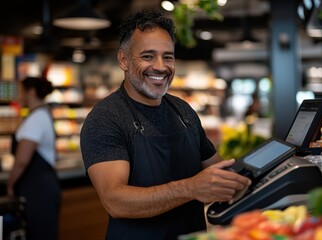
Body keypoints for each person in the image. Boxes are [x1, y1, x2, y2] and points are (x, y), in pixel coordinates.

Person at [80, 8, 251, 239]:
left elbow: (216, 170)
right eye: (148, 56)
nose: (160, 66)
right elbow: (115, 201)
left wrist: (263, 173)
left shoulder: (183, 111)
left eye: (167, 56)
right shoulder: (106, 118)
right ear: (123, 60)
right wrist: (191, 188)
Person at [7, 76, 61, 240]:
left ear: (30, 92)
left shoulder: (36, 118)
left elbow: (22, 159)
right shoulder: (40, 114)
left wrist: (10, 184)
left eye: (21, 91)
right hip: (40, 187)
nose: (18, 96)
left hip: (38, 190)